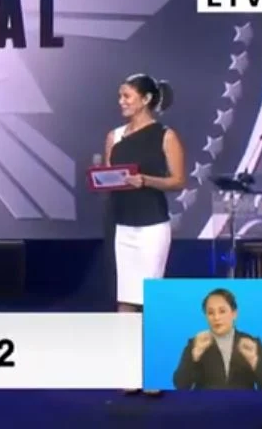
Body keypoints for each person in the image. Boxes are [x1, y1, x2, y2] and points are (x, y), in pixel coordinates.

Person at [104, 74, 186, 396]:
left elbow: (178, 180)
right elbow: (109, 175)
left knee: (151, 298)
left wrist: (146, 181)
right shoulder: (114, 136)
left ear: (146, 99)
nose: (121, 102)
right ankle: (129, 372)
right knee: (126, 299)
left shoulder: (166, 136)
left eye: (127, 96)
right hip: (123, 224)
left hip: (152, 226)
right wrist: (103, 180)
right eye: (120, 96)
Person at [173, 288, 262, 390]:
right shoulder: (195, 344)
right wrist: (194, 357)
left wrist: (254, 362)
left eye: (222, 311)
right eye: (210, 313)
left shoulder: (252, 344)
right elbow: (180, 385)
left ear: (234, 313)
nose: (216, 317)